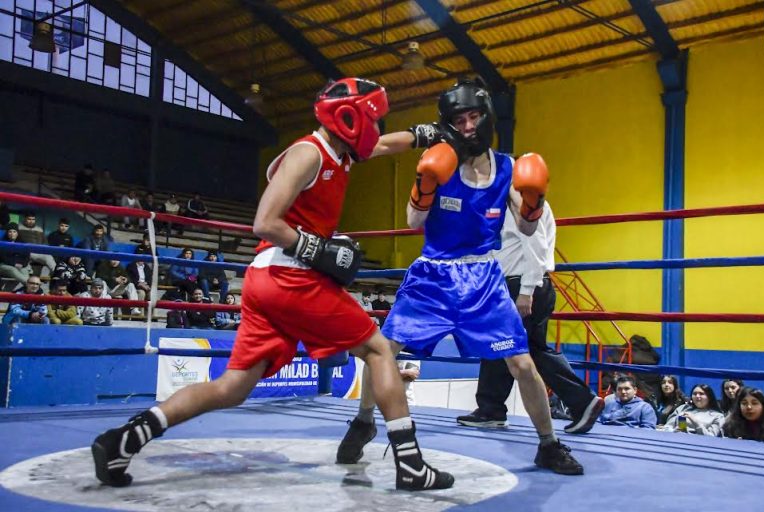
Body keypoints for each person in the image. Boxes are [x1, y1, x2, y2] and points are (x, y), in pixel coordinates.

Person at [91, 77, 453, 491]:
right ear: (349, 119)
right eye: (371, 119)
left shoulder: (342, 154)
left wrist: (425, 135)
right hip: (290, 277)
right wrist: (316, 249)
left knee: (232, 387)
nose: (375, 128)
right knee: (378, 350)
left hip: (269, 281)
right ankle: (411, 465)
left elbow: (383, 145)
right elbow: (264, 221)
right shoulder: (307, 153)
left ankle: (124, 440)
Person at [337, 78, 582, 475]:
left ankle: (549, 445)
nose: (468, 126)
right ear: (449, 124)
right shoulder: (440, 160)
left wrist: (533, 202)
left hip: (483, 277)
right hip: (433, 276)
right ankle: (364, 421)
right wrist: (425, 186)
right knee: (383, 349)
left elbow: (527, 228)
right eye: (459, 120)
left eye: (474, 117)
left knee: (522, 363)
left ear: (487, 118)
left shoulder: (508, 168)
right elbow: (413, 221)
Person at [456, 201, 603, 433]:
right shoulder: (503, 204)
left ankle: (581, 400)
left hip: (521, 286)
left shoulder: (523, 202)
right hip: (514, 285)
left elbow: (536, 245)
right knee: (509, 346)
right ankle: (491, 409)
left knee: (518, 348)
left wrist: (526, 291)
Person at [0, 223, 32, 289]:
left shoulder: (23, 243)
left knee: (24, 271)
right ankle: (31, 286)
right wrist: (15, 264)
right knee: (13, 270)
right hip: (4, 265)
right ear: (7, 233)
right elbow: (3, 258)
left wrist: (22, 264)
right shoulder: (2, 243)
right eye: (10, 232)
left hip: (20, 265)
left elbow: (26, 257)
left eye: (14, 231)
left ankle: (7, 292)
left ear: (17, 233)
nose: (12, 234)